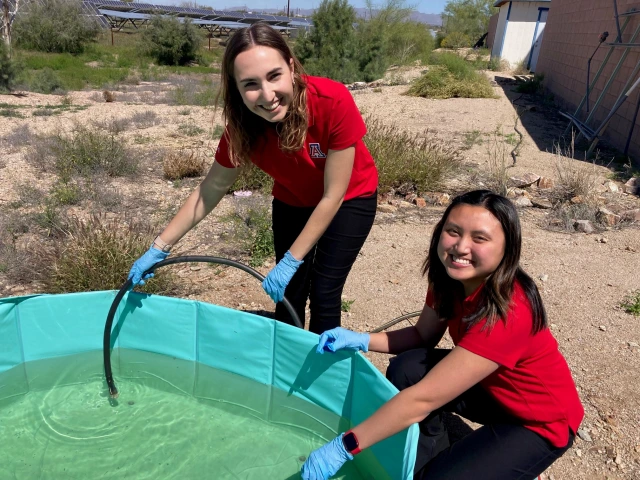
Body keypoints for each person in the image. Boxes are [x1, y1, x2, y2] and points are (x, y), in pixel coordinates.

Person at [301, 190, 584, 480]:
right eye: (453, 232)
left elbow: (422, 400)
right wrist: (360, 339)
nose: (461, 247)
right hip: (492, 390)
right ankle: (437, 455)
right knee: (407, 369)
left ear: (507, 249)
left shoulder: (509, 311)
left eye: (480, 238)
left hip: (537, 421)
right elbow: (423, 335)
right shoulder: (450, 280)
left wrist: (344, 446)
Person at [127, 23, 378, 334]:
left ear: (290, 67)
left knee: (325, 291)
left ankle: (324, 377)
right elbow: (212, 188)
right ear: (236, 87)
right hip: (293, 198)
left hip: (349, 200)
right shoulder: (242, 128)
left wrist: (291, 261)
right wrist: (159, 247)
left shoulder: (331, 101)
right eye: (250, 84)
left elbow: (333, 196)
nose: (267, 95)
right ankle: (284, 368)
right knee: (289, 294)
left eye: (274, 76)